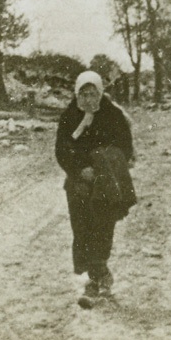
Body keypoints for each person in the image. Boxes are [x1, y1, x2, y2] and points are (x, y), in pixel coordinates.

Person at [55, 70, 136, 299]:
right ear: (76, 94)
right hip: (78, 182)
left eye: (93, 94)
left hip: (105, 183)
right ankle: (95, 275)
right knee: (82, 228)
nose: (88, 100)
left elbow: (125, 147)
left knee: (103, 227)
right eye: (83, 94)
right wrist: (80, 170)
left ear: (100, 93)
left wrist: (104, 165)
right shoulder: (69, 116)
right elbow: (62, 150)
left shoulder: (112, 115)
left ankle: (96, 276)